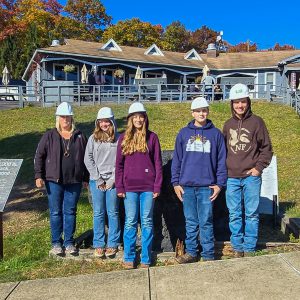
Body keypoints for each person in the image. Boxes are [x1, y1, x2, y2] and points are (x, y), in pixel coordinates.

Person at [171, 97, 227, 263]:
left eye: (204, 110)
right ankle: (192, 252)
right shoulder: (183, 133)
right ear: (192, 113)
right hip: (187, 186)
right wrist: (175, 183)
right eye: (198, 111)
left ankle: (208, 254)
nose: (201, 113)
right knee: (190, 221)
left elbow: (221, 161)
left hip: (206, 187)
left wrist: (219, 184)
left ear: (208, 111)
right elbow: (177, 160)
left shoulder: (216, 134)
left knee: (206, 222)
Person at [223, 83, 273, 257]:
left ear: (248, 102)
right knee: (234, 214)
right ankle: (237, 247)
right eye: (236, 102)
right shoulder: (227, 125)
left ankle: (250, 247)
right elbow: (223, 151)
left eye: (243, 101)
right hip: (231, 177)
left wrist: (258, 168)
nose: (240, 106)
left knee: (251, 214)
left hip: (251, 177)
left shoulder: (257, 122)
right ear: (232, 103)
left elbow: (267, 148)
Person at [34, 102, 88, 256]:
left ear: (72, 118)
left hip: (74, 181)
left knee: (70, 212)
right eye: (63, 117)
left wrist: (85, 177)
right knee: (56, 212)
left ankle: (69, 242)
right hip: (53, 181)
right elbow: (39, 155)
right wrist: (39, 175)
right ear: (58, 118)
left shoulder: (79, 136)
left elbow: (86, 158)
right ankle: (56, 243)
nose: (65, 120)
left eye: (68, 117)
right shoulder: (49, 135)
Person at [115, 102, 162, 269]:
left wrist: (157, 186)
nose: (138, 119)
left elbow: (157, 163)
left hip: (148, 188)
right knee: (130, 222)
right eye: (135, 116)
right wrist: (120, 187)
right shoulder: (123, 138)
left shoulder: (152, 137)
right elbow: (119, 165)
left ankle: (146, 258)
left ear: (145, 118)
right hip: (129, 189)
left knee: (147, 222)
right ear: (130, 119)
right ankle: (129, 256)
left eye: (141, 116)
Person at [84, 107, 121, 258]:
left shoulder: (118, 139)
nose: (104, 124)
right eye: (102, 121)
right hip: (96, 181)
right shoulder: (93, 139)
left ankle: (113, 243)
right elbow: (88, 159)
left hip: (113, 181)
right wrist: (98, 179)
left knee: (113, 212)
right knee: (98, 213)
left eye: (107, 121)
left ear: (112, 122)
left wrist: (112, 180)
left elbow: (120, 161)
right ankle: (99, 243)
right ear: (98, 122)